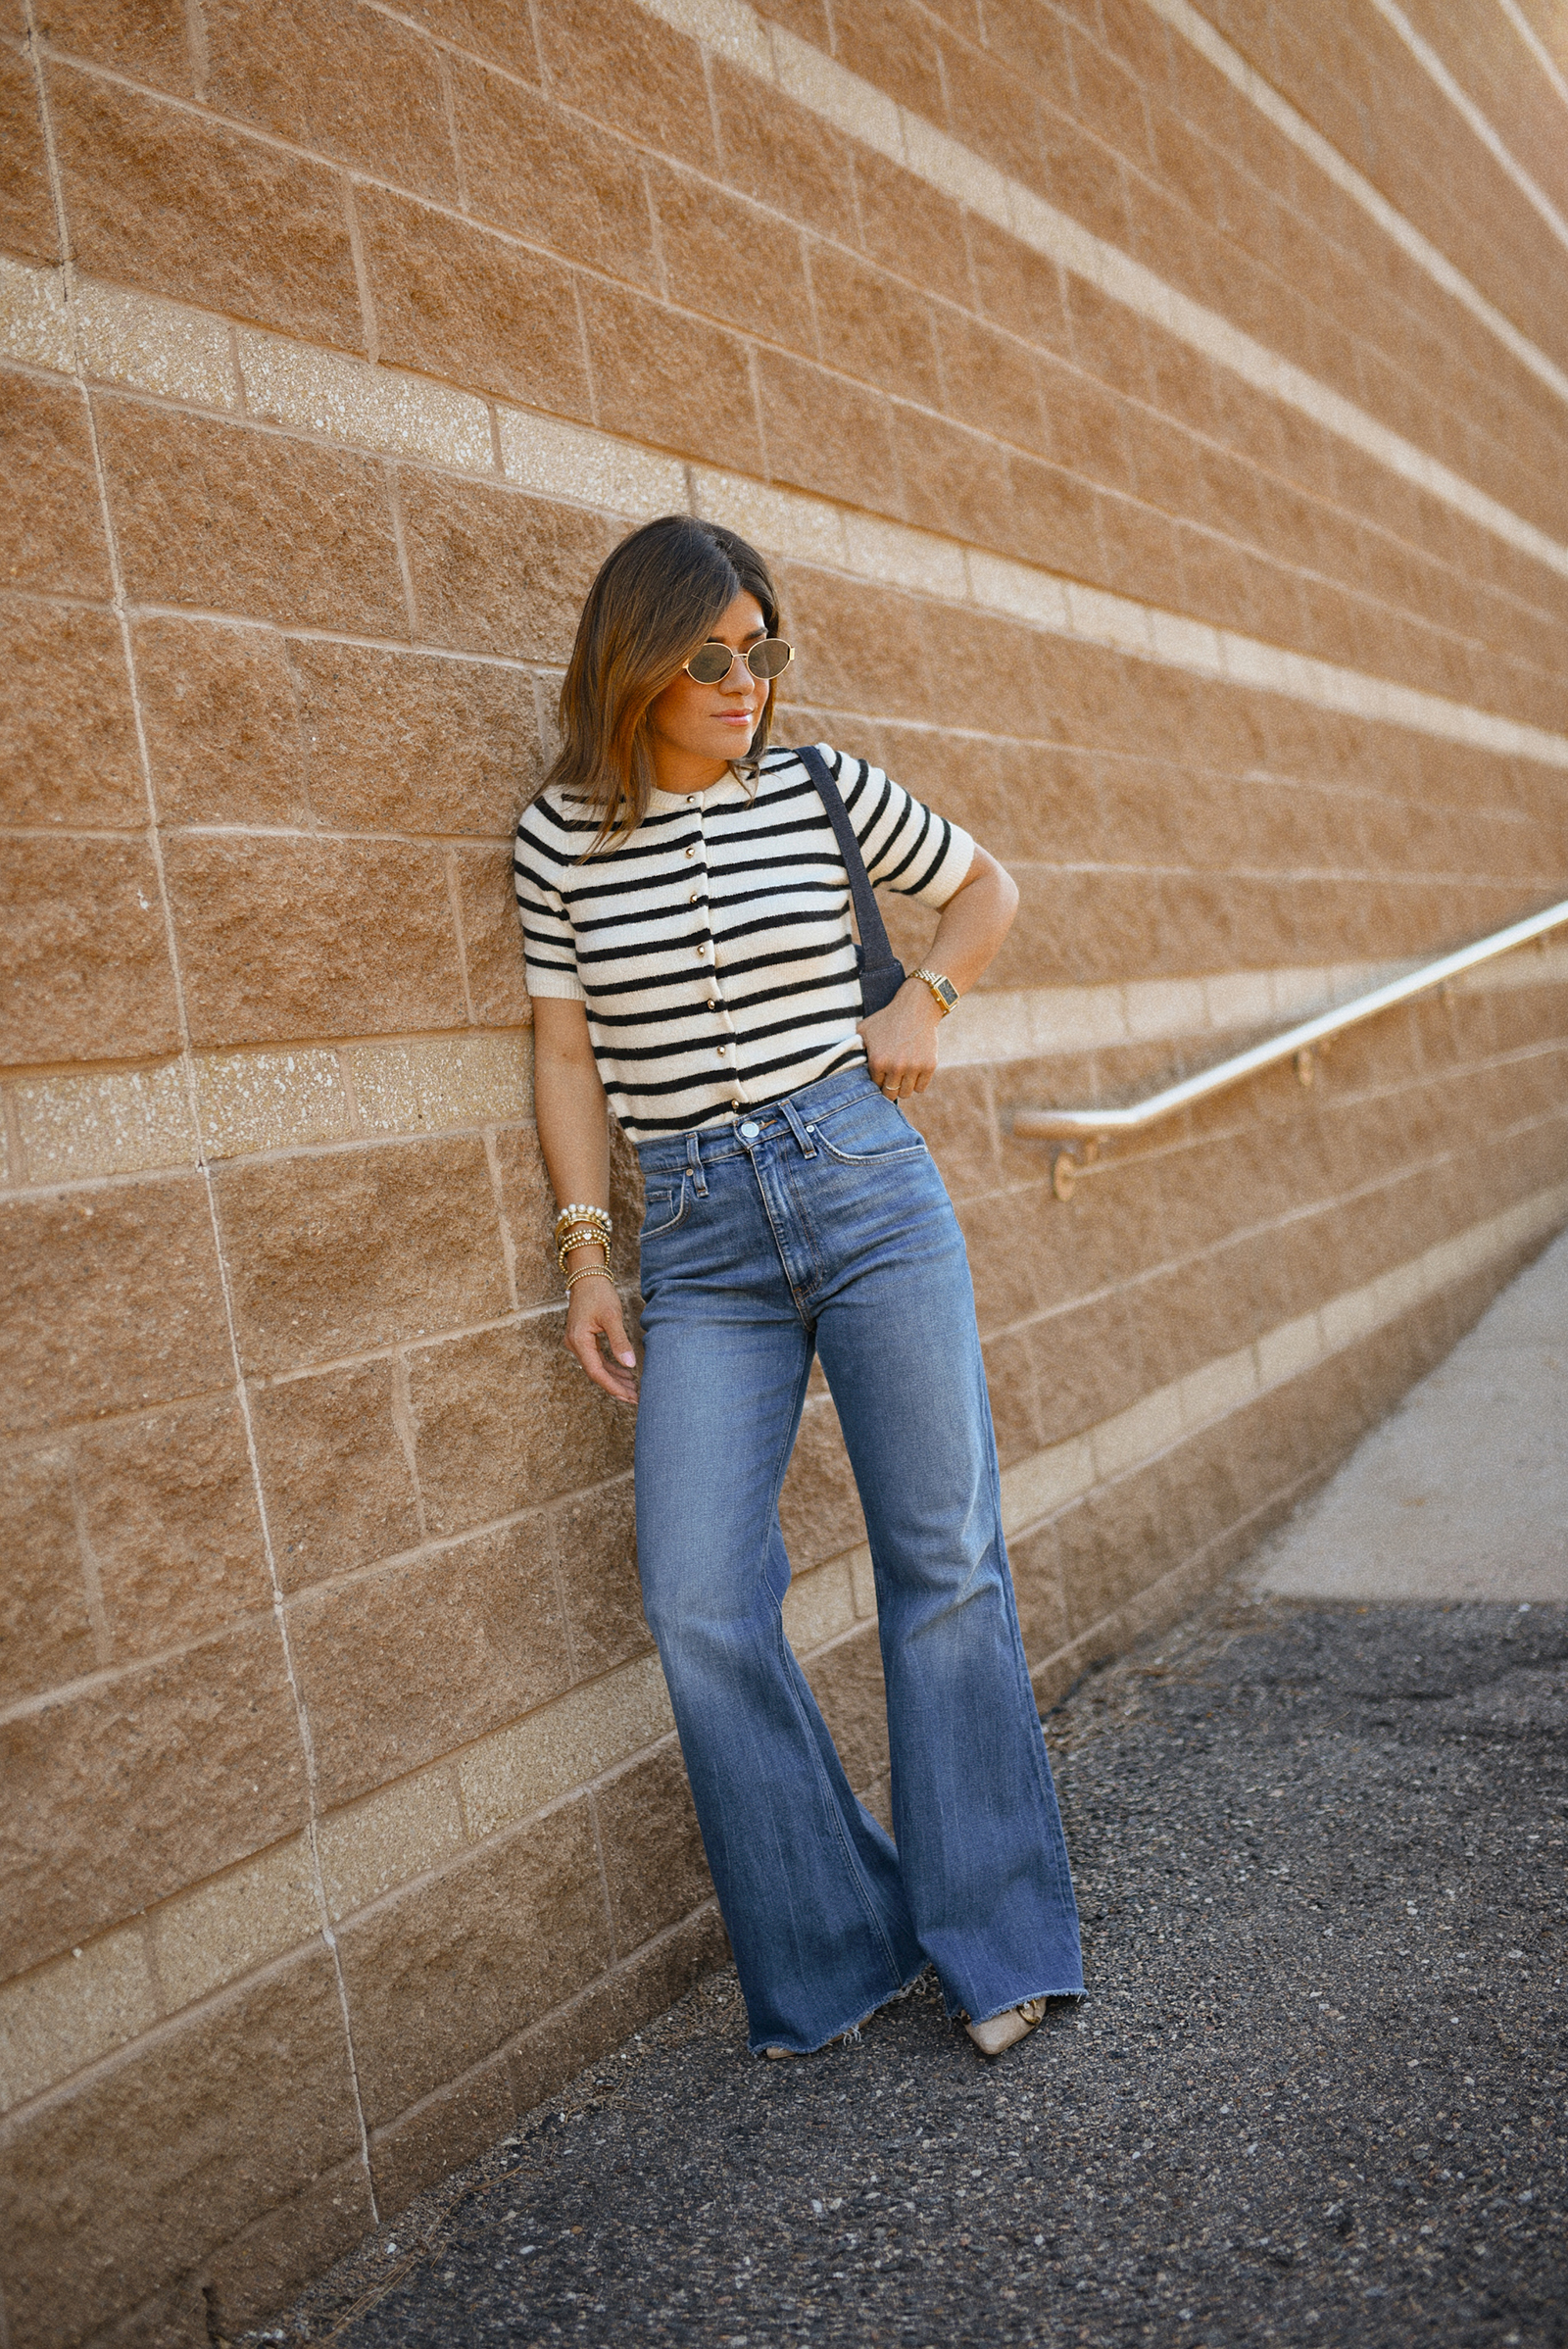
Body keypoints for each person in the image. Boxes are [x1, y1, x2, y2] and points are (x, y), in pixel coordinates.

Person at [514, 514, 1082, 2059]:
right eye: (709, 656)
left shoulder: (823, 788)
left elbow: (988, 891)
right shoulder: (561, 836)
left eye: (762, 650)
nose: (742, 679)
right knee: (698, 1593)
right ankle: (839, 1941)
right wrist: (584, 1251)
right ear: (635, 663)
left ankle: (995, 1934)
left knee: (942, 1559)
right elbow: (566, 1053)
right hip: (697, 1239)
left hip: (865, 1185)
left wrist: (932, 997)